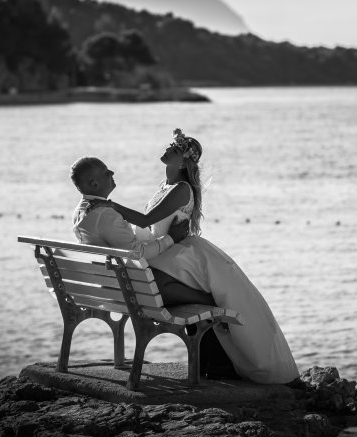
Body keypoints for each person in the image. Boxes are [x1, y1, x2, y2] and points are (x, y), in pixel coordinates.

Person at [96, 128, 300, 385]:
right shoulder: (166, 186)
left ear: (183, 162)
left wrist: (110, 205)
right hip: (168, 253)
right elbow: (151, 227)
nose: (168, 148)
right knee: (202, 301)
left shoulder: (181, 189)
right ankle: (215, 361)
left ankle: (225, 360)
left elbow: (146, 220)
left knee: (213, 301)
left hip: (179, 257)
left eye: (174, 148)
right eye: (171, 145)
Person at [69, 155, 235, 374]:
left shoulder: (80, 211)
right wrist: (171, 238)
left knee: (191, 292)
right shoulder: (105, 214)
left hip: (114, 290)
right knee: (208, 299)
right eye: (106, 172)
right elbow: (138, 254)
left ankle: (209, 364)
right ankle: (218, 366)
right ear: (94, 183)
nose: (112, 173)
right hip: (137, 292)